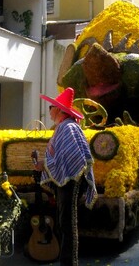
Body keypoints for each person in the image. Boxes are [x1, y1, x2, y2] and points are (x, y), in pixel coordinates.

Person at [34, 87, 97, 266]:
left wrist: (44, 165)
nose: (49, 110)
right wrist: (43, 165)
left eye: (51, 107)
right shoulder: (64, 127)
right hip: (68, 179)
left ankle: (70, 262)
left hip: (71, 180)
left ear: (60, 110)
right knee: (65, 222)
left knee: (68, 223)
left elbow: (72, 157)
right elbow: (60, 157)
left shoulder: (67, 127)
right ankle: (67, 261)